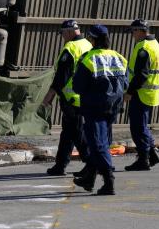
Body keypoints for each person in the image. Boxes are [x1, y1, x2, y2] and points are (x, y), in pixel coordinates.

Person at [71, 24, 127, 195]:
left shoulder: (88, 59)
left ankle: (108, 181)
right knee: (102, 142)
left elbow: (78, 86)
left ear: (92, 39)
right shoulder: (119, 57)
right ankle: (89, 179)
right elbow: (125, 83)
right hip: (113, 107)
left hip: (93, 107)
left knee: (98, 145)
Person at [42, 20, 93, 176]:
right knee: (68, 133)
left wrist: (50, 94)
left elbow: (62, 76)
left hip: (71, 98)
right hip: (85, 97)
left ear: (70, 32)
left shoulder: (71, 48)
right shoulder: (88, 45)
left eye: (63, 33)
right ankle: (60, 165)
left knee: (76, 133)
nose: (63, 37)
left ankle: (92, 164)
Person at [124, 19, 159, 171]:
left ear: (141, 30)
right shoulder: (155, 44)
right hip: (150, 94)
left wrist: (129, 92)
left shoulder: (144, 48)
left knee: (138, 128)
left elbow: (141, 75)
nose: (132, 35)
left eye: (133, 31)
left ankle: (143, 159)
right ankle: (152, 154)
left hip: (140, 94)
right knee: (143, 127)